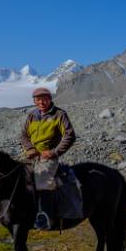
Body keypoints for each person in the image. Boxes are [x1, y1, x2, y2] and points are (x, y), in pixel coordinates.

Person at [21, 87, 76, 230]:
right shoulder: (32, 116)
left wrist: (54, 152)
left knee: (42, 180)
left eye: (44, 99)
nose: (41, 102)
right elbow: (24, 136)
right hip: (31, 156)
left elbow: (70, 135)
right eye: (38, 99)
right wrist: (30, 149)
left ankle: (44, 216)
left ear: (50, 99)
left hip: (48, 157)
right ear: (34, 101)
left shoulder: (59, 114)